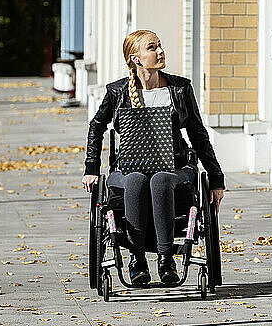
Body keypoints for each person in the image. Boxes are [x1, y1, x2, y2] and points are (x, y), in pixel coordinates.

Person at [82, 30, 225, 286]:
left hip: (175, 167)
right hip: (128, 169)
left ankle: (166, 259)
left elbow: (198, 134)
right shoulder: (118, 92)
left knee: (159, 180)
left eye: (160, 45)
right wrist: (91, 168)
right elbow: (96, 127)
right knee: (136, 180)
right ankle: (137, 261)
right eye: (152, 47)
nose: (160, 51)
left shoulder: (179, 89)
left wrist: (215, 178)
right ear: (135, 58)